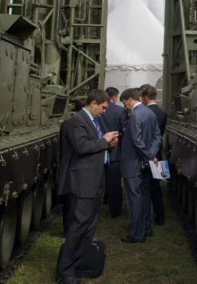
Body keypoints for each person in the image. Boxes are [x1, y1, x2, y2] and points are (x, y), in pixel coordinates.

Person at [55, 90, 118, 284]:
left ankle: (78, 264)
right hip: (82, 184)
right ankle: (66, 272)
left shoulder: (90, 121)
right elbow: (82, 147)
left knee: (87, 227)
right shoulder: (76, 122)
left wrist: (108, 145)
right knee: (78, 227)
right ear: (93, 103)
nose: (104, 111)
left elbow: (92, 146)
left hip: (92, 182)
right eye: (103, 107)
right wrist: (104, 141)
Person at [118, 87, 161, 244]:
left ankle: (137, 234)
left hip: (132, 163)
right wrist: (151, 154)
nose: (125, 107)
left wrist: (149, 155)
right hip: (145, 163)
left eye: (125, 103)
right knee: (145, 196)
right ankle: (147, 228)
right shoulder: (150, 113)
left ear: (130, 100)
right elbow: (157, 136)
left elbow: (136, 140)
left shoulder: (135, 115)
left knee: (134, 199)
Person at [140, 84, 167, 225]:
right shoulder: (162, 113)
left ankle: (146, 217)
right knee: (156, 186)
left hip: (146, 153)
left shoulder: (144, 112)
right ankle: (160, 216)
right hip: (158, 153)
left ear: (145, 97)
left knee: (145, 187)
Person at [99, 87, 125, 218]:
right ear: (114, 97)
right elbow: (124, 132)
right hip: (114, 152)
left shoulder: (97, 110)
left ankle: (103, 200)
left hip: (97, 150)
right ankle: (115, 209)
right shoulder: (120, 111)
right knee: (114, 182)